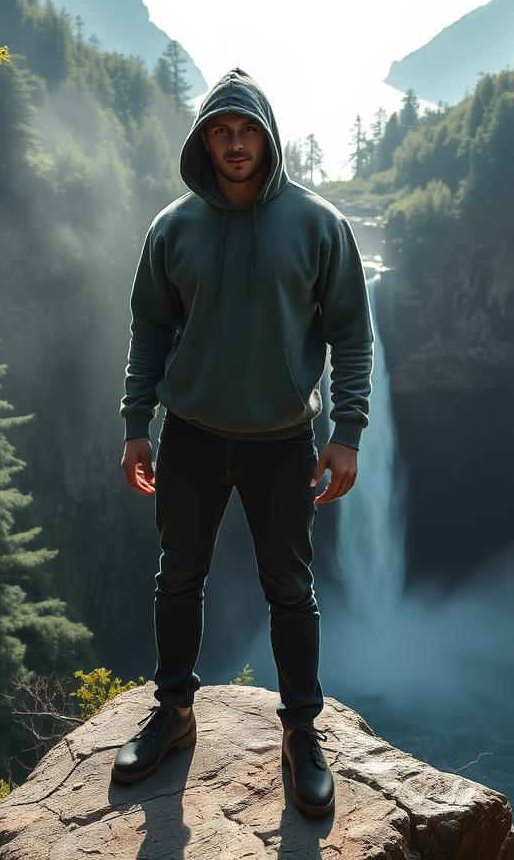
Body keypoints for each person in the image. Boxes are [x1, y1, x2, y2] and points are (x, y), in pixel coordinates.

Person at [113, 66, 373, 817]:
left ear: (268, 137)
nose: (235, 144)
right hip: (190, 434)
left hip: (283, 440)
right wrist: (137, 423)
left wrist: (346, 432)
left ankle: (300, 733)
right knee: (177, 578)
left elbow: (351, 333)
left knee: (291, 590)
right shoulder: (174, 227)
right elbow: (150, 329)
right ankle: (174, 714)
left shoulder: (319, 225)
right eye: (221, 132)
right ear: (203, 140)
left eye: (247, 130)